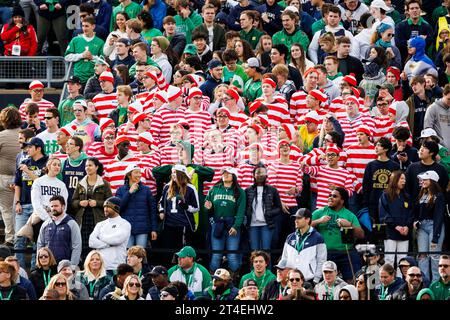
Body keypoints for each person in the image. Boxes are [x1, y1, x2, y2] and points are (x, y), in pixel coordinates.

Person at [311, 187, 364, 283]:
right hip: (325, 253)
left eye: (334, 196)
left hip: (345, 252)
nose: (330, 198)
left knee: (353, 280)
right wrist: (319, 221)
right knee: (324, 281)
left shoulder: (349, 215)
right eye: (330, 195)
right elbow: (303, 226)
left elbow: (361, 235)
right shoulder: (320, 212)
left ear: (342, 200)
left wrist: (349, 225)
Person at [14, 137, 48, 269]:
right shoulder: (24, 162)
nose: (27, 149)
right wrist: (17, 202)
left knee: (37, 242)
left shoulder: (46, 163)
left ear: (38, 148)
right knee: (19, 239)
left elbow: (43, 182)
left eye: (30, 147)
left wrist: (28, 171)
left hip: (38, 207)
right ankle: (19, 271)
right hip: (23, 205)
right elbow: (18, 184)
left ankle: (35, 270)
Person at [205, 167, 246, 273]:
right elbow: (207, 205)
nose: (225, 175)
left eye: (228, 173)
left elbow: (241, 211)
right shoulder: (214, 189)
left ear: (234, 176)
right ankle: (213, 279)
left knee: (232, 255)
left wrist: (236, 226)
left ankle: (233, 280)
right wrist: (207, 207)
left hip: (232, 225)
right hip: (217, 224)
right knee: (216, 254)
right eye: (224, 173)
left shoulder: (240, 192)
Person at [72, 157, 112, 260]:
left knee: (98, 245)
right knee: (84, 246)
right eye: (86, 166)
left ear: (96, 167)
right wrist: (80, 203)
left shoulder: (105, 184)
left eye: (90, 165)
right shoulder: (80, 183)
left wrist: (97, 203)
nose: (87, 168)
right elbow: (73, 202)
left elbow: (110, 203)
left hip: (99, 219)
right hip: (83, 219)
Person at [279, 208, 327, 286]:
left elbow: (321, 261)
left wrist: (316, 280)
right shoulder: (290, 237)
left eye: (299, 218)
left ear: (307, 219)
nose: (296, 221)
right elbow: (284, 258)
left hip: (309, 281)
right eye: (295, 218)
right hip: (292, 281)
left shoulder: (318, 238)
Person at [158, 165, 199, 255]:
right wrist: (161, 211)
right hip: (169, 224)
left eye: (175, 172)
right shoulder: (167, 187)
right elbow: (161, 202)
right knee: (168, 251)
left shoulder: (190, 188)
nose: (173, 174)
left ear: (181, 174)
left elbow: (196, 208)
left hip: (183, 224)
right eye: (172, 172)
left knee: (181, 252)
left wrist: (186, 207)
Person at [414, 171, 446, 282]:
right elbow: (417, 212)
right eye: (422, 180)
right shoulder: (421, 194)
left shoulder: (439, 196)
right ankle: (425, 283)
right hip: (422, 228)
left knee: (434, 256)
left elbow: (439, 216)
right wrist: (415, 221)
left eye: (425, 179)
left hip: (434, 226)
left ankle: (435, 284)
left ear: (432, 181)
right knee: (422, 256)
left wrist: (436, 236)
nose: (422, 181)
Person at [116, 164, 158, 248]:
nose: (139, 175)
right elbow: (118, 208)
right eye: (136, 172)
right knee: (128, 255)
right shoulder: (120, 190)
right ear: (129, 175)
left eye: (139, 172)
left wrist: (154, 229)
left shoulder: (146, 190)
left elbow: (152, 211)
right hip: (126, 229)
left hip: (142, 229)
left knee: (141, 255)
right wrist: (129, 193)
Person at [245, 163, 282, 252]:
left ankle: (267, 266)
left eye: (263, 173)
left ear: (266, 175)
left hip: (267, 224)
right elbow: (244, 207)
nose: (260, 175)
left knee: (266, 250)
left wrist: (270, 213)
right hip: (252, 225)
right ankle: (253, 266)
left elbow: (279, 208)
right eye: (258, 172)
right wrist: (247, 214)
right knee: (254, 251)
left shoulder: (272, 190)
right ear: (254, 175)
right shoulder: (247, 190)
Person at [379, 170, 412, 268]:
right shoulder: (385, 195)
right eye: (401, 178)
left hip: (404, 233)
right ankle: (389, 282)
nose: (404, 181)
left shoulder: (407, 197)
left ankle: (401, 281)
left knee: (403, 260)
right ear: (394, 179)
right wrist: (396, 226)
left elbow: (411, 213)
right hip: (391, 232)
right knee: (389, 259)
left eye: (405, 179)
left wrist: (407, 226)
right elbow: (383, 214)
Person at [363, 137, 400, 224]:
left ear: (386, 149)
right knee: (373, 231)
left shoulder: (395, 166)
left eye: (379, 145)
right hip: (373, 203)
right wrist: (366, 204)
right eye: (376, 145)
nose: (376, 147)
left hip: (390, 203)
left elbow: (397, 186)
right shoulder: (370, 165)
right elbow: (366, 186)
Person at [36, 195, 81, 266]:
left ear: (63, 206)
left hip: (64, 267)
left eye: (56, 206)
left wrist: (73, 266)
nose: (53, 208)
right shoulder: (45, 224)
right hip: (48, 266)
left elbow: (77, 246)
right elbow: (40, 245)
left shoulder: (71, 223)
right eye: (52, 206)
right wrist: (39, 263)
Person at [0, 107, 22, 247]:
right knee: (22, 209)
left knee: (7, 209)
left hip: (5, 178)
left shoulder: (1, 136)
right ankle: (21, 239)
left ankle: (10, 238)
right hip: (23, 179)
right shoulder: (27, 134)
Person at [64, 16, 105, 85]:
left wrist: (92, 57)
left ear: (93, 26)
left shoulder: (100, 42)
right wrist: (81, 55)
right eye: (83, 26)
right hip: (78, 77)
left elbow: (103, 60)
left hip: (94, 77)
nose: (84, 28)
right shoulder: (75, 40)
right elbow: (67, 57)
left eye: (87, 26)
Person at [424, 83, 450, 150]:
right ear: (443, 94)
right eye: (449, 99)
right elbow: (427, 130)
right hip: (439, 149)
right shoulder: (433, 108)